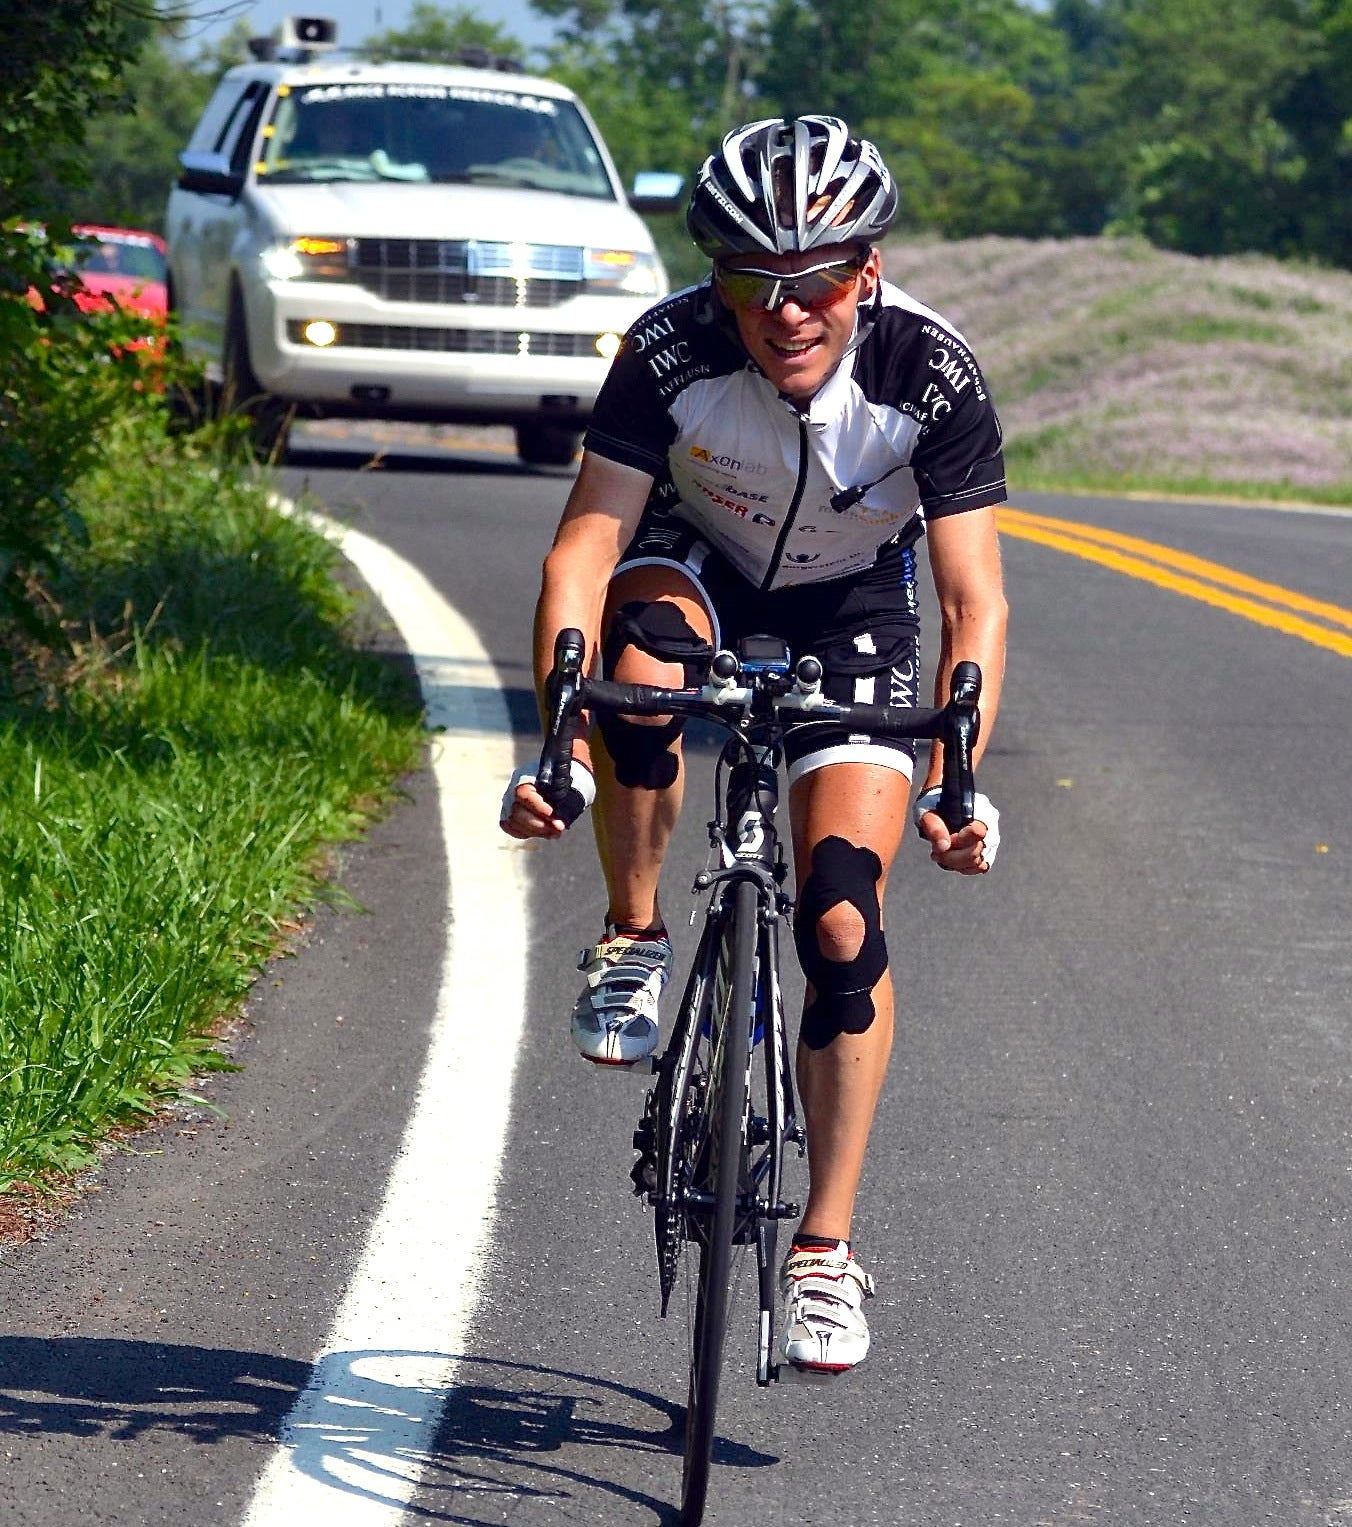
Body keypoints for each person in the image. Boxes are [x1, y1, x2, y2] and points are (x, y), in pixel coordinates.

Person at [500, 115, 1008, 1374]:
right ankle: (632, 933)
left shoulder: (928, 372)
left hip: (850, 606)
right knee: (645, 674)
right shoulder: (666, 350)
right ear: (714, 280)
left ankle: (823, 1251)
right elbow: (585, 545)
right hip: (695, 565)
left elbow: (969, 603)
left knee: (842, 921)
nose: (784, 312)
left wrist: (957, 778)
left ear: (865, 273)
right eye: (748, 283)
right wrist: (560, 741)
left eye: (816, 282)